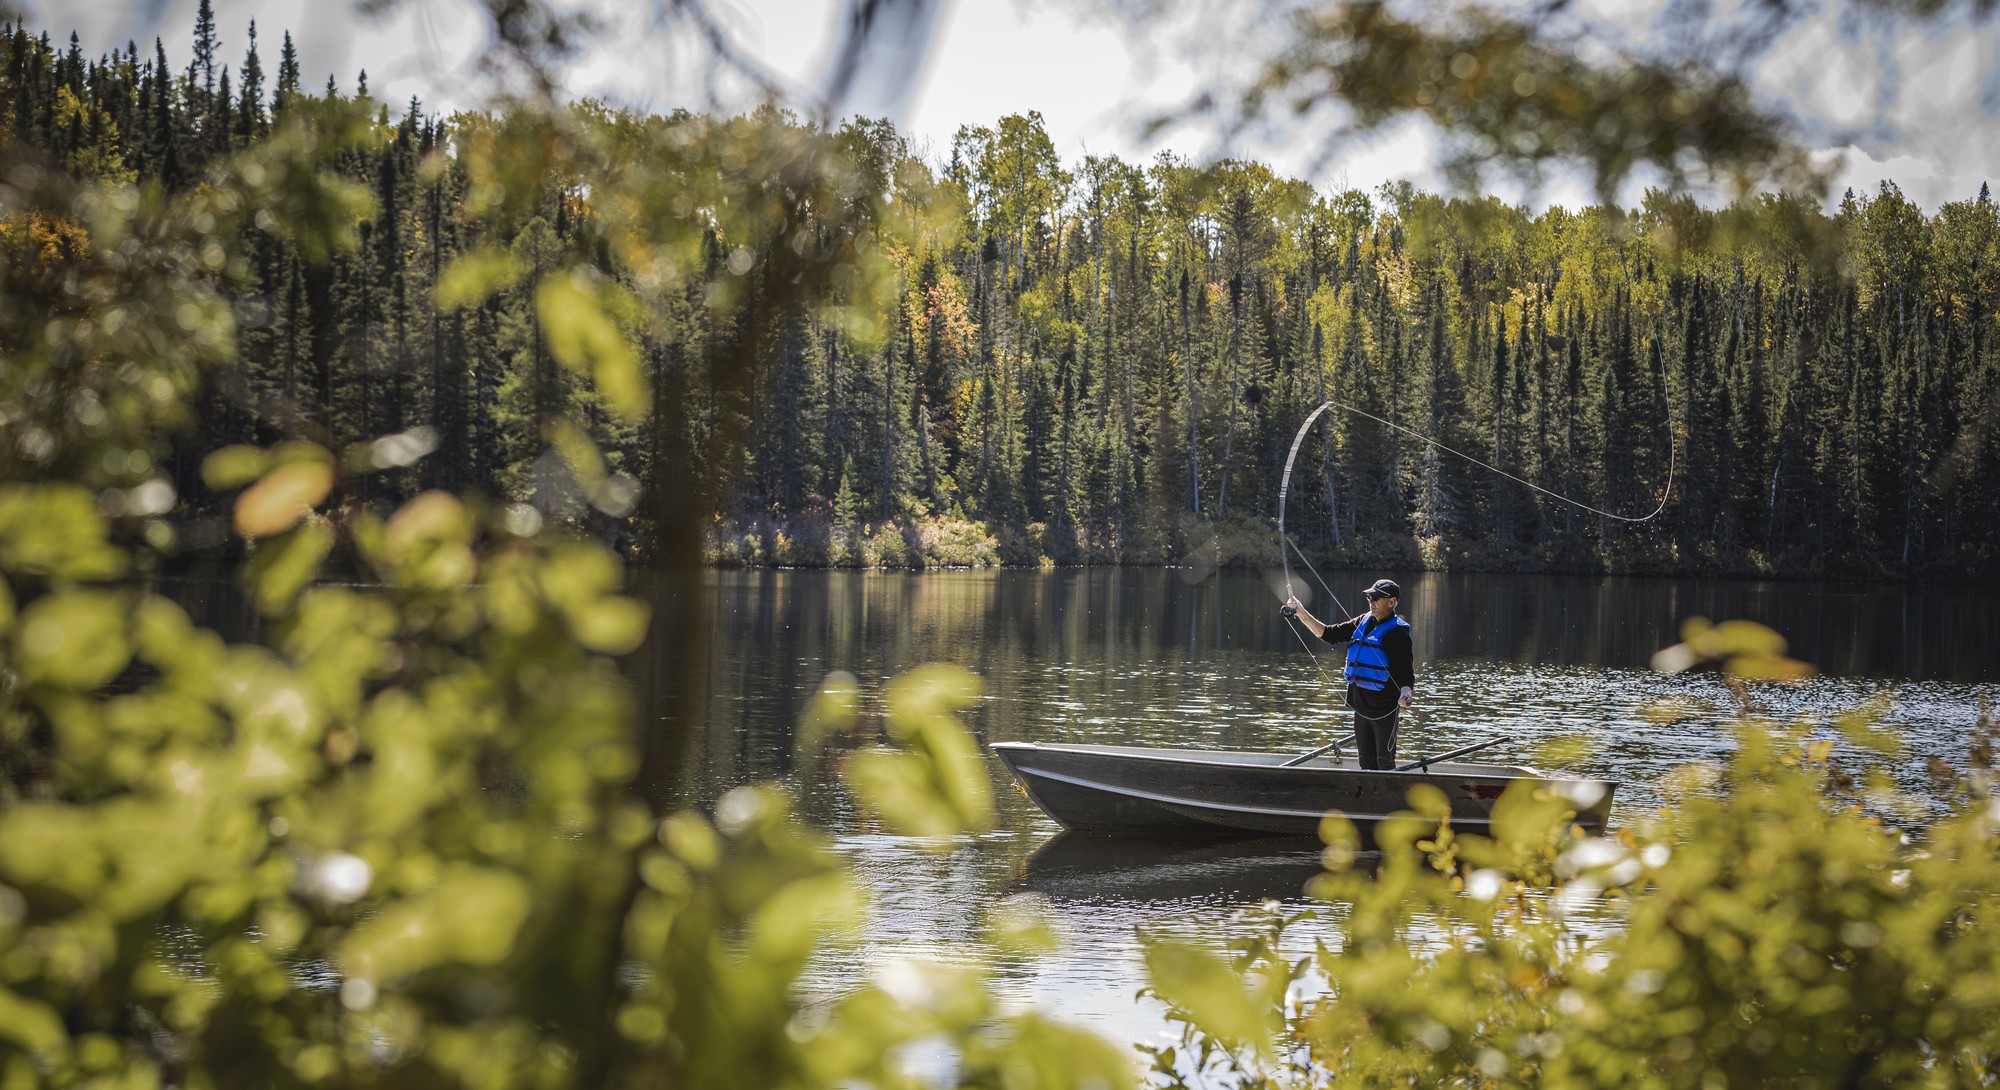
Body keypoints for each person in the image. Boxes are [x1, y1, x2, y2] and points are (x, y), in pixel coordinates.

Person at [1282, 578, 1415, 770]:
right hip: (1360, 707)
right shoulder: (1363, 620)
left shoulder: (1397, 632)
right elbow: (1328, 634)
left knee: (1385, 763)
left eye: (1376, 598)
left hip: (1384, 709)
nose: (1371, 601)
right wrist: (1301, 612)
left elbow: (1405, 671)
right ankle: (1367, 798)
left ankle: (1385, 797)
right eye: (1370, 597)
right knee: (1366, 762)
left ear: (1391, 602)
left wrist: (1406, 693)